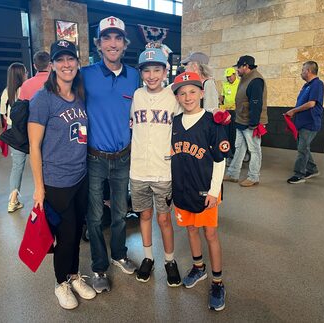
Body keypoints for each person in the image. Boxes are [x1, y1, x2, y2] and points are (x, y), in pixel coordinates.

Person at [28, 39, 96, 310]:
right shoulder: (43, 99)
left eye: (71, 59)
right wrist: (39, 187)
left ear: (77, 64)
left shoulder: (78, 96)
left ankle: (74, 275)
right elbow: (34, 146)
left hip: (81, 176)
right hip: (56, 181)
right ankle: (61, 283)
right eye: (61, 60)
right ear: (52, 65)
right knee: (65, 236)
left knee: (77, 231)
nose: (67, 64)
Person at [81, 16, 140, 293]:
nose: (112, 43)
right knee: (94, 217)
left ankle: (118, 255)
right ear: (99, 44)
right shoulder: (85, 74)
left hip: (123, 157)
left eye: (118, 38)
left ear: (124, 44)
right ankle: (99, 267)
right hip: (94, 157)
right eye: (107, 38)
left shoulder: (135, 76)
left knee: (119, 213)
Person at [170, 71, 230, 311]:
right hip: (183, 190)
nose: (187, 97)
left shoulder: (211, 122)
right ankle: (199, 268)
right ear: (176, 96)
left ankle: (218, 281)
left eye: (192, 91)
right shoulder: (174, 122)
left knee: (211, 235)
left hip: (206, 192)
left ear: (202, 93)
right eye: (182, 93)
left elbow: (219, 160)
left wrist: (215, 191)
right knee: (191, 229)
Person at [130, 46, 181, 286]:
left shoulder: (173, 96)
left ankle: (169, 260)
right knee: (145, 214)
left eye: (157, 70)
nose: (151, 75)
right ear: (141, 73)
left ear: (164, 71)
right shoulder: (137, 95)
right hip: (138, 169)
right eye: (147, 70)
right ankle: (148, 257)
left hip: (164, 170)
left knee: (163, 219)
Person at [224, 55, 267, 187]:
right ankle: (233, 174)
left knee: (254, 150)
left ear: (246, 66)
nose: (237, 70)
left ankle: (253, 177)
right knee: (239, 148)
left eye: (239, 67)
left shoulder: (255, 80)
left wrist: (254, 123)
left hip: (251, 123)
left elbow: (256, 103)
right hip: (241, 120)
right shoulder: (245, 78)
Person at [285, 61, 324, 184]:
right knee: (304, 147)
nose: (301, 73)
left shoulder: (317, 84)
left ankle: (299, 174)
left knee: (302, 148)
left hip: (310, 123)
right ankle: (312, 169)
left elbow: (311, 103)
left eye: (302, 70)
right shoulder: (306, 86)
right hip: (302, 123)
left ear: (308, 71)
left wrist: (293, 110)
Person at [0, 63, 28, 213]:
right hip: (32, 129)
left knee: (17, 166)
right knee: (43, 163)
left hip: (15, 131)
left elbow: (4, 115)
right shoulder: (28, 88)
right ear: (22, 74)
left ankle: (12, 201)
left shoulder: (7, 92)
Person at [219, 67, 240, 161]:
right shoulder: (225, 84)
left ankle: (235, 154)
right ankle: (228, 153)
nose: (228, 78)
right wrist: (220, 104)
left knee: (234, 133)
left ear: (234, 74)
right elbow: (222, 96)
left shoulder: (240, 83)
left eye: (230, 76)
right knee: (226, 133)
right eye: (227, 77)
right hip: (227, 111)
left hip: (237, 111)